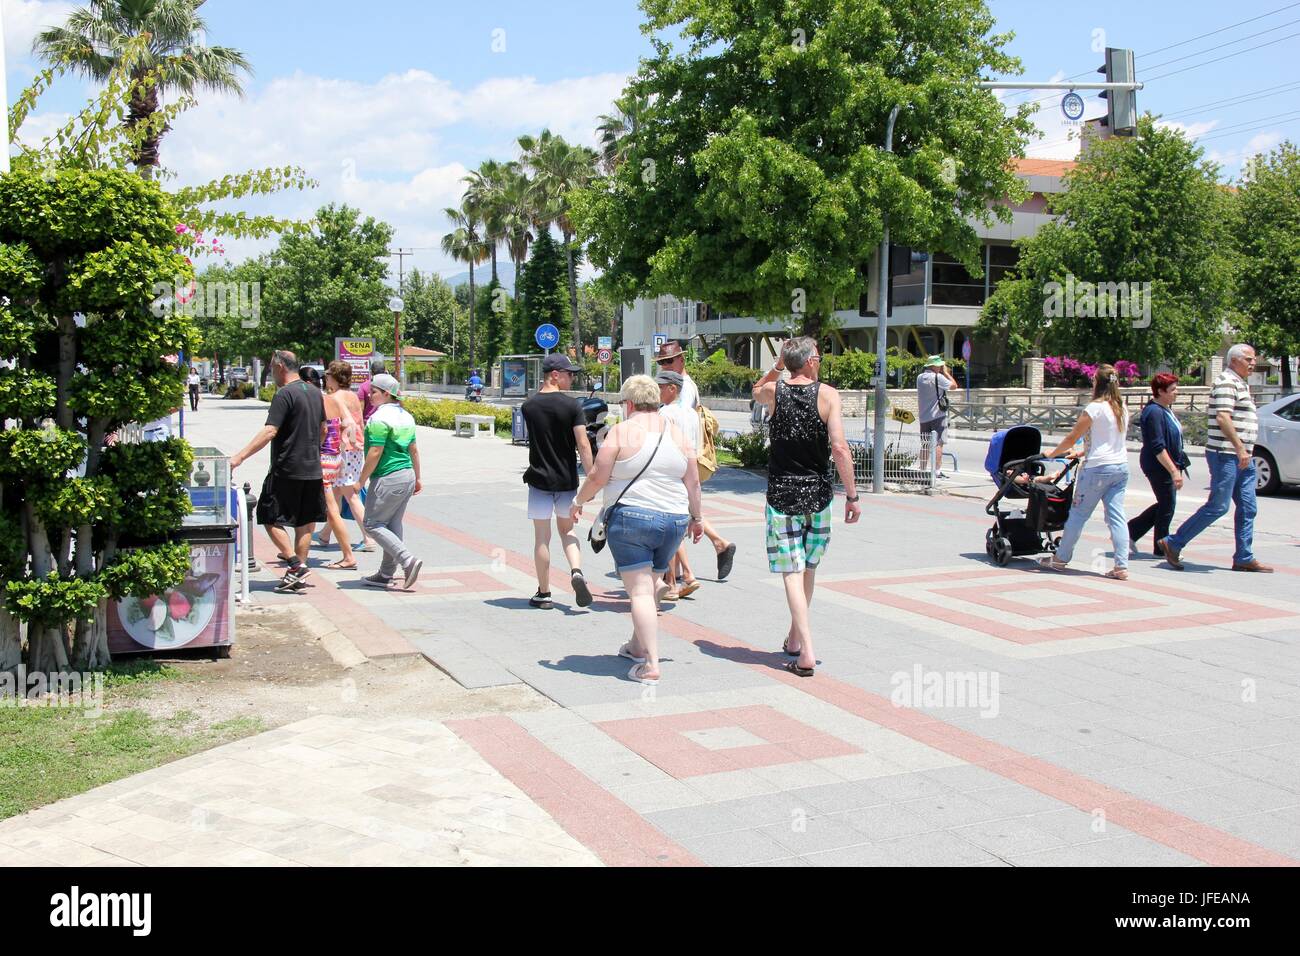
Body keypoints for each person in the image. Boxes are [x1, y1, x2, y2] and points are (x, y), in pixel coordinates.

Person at [571, 375, 702, 685]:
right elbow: (693, 482)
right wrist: (697, 518)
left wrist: (579, 500)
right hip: (673, 521)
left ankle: (650, 664)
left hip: (632, 519)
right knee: (649, 583)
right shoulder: (678, 434)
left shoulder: (622, 431)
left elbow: (598, 476)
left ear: (629, 403)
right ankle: (636, 646)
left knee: (640, 591)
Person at [752, 337, 861, 677]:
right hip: (819, 494)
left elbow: (758, 388)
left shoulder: (775, 392)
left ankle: (803, 648)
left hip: (782, 495)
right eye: (819, 356)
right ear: (812, 361)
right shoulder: (828, 395)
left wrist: (778, 365)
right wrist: (853, 495)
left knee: (792, 572)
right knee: (808, 568)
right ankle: (797, 641)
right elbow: (840, 448)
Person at [1159, 345, 1272, 572]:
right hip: (1227, 454)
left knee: (1248, 507)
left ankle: (1243, 556)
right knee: (1218, 506)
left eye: (1253, 359)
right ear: (1234, 360)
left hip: (1243, 456)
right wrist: (1240, 448)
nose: (1253, 363)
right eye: (1249, 359)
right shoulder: (1226, 382)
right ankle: (1173, 542)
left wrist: (1245, 451)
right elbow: (1223, 417)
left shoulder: (1240, 383)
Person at [230, 350, 327, 594]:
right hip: (313, 468)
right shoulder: (316, 392)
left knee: (268, 515)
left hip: (287, 468)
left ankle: (295, 565)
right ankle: (297, 573)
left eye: (272, 368)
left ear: (281, 367)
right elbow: (324, 429)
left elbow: (270, 431)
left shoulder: (284, 394)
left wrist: (240, 457)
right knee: (305, 522)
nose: (271, 373)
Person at [653, 340, 737, 579]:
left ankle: (680, 575)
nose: (664, 366)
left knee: (677, 515)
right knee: (686, 513)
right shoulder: (674, 387)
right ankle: (713, 548)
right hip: (685, 461)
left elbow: (680, 425)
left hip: (682, 461)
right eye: (661, 363)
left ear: (681, 360)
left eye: (668, 361)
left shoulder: (683, 389)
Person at [1038, 364, 1131, 580]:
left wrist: (1053, 454)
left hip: (1097, 469)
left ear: (1097, 383)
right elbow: (1108, 440)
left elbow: (1072, 436)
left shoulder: (1094, 408)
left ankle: (1060, 559)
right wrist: (1081, 452)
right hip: (1120, 467)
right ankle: (1121, 566)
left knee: (1078, 515)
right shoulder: (1121, 407)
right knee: (1116, 517)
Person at [520, 354, 595, 609]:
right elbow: (583, 444)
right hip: (567, 481)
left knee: (542, 537)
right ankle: (576, 571)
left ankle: (544, 593)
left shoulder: (529, 406)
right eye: (568, 373)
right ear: (554, 374)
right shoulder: (573, 406)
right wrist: (591, 480)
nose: (571, 377)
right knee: (568, 531)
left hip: (539, 480)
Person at [350, 373, 423, 590]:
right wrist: (418, 477)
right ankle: (385, 573)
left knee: (372, 524)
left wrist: (360, 480)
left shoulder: (378, 419)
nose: (370, 395)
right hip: (406, 474)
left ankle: (407, 560)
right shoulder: (406, 416)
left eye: (374, 392)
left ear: (386, 394)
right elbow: (414, 450)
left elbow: (375, 451)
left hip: (387, 476)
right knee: (392, 524)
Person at [1127, 373, 1190, 557]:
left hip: (1166, 463)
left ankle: (1132, 532)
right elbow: (1157, 446)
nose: (1176, 393)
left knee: (1165, 504)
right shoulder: (1154, 412)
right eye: (1173, 390)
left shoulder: (1164, 409)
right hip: (1157, 465)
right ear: (1160, 391)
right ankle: (1162, 545)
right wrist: (1173, 470)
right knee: (1167, 505)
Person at [315, 362, 375, 554]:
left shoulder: (334, 397)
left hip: (343, 449)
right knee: (338, 492)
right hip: (356, 449)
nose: (326, 377)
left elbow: (336, 425)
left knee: (351, 494)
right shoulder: (352, 396)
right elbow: (359, 422)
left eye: (328, 374)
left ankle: (369, 537)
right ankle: (325, 534)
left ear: (334, 376)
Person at [656, 368, 702, 600]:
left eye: (661, 387)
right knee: (678, 528)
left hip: (670, 474)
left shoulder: (665, 414)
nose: (657, 392)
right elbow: (698, 447)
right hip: (689, 472)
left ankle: (672, 583)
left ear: (673, 389)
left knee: (669, 530)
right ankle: (687, 576)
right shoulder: (693, 414)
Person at [916, 355, 956, 478]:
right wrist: (946, 373)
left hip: (924, 416)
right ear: (934, 366)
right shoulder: (938, 377)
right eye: (939, 365)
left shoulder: (920, 377)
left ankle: (922, 470)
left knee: (925, 444)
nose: (940, 367)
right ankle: (937, 471)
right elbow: (954, 386)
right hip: (938, 415)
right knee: (939, 443)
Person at [356, 356, 386, 423]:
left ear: (371, 372)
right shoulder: (390, 385)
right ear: (384, 372)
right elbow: (399, 405)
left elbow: (360, 409)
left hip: (368, 422)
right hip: (386, 422)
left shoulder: (364, 386)